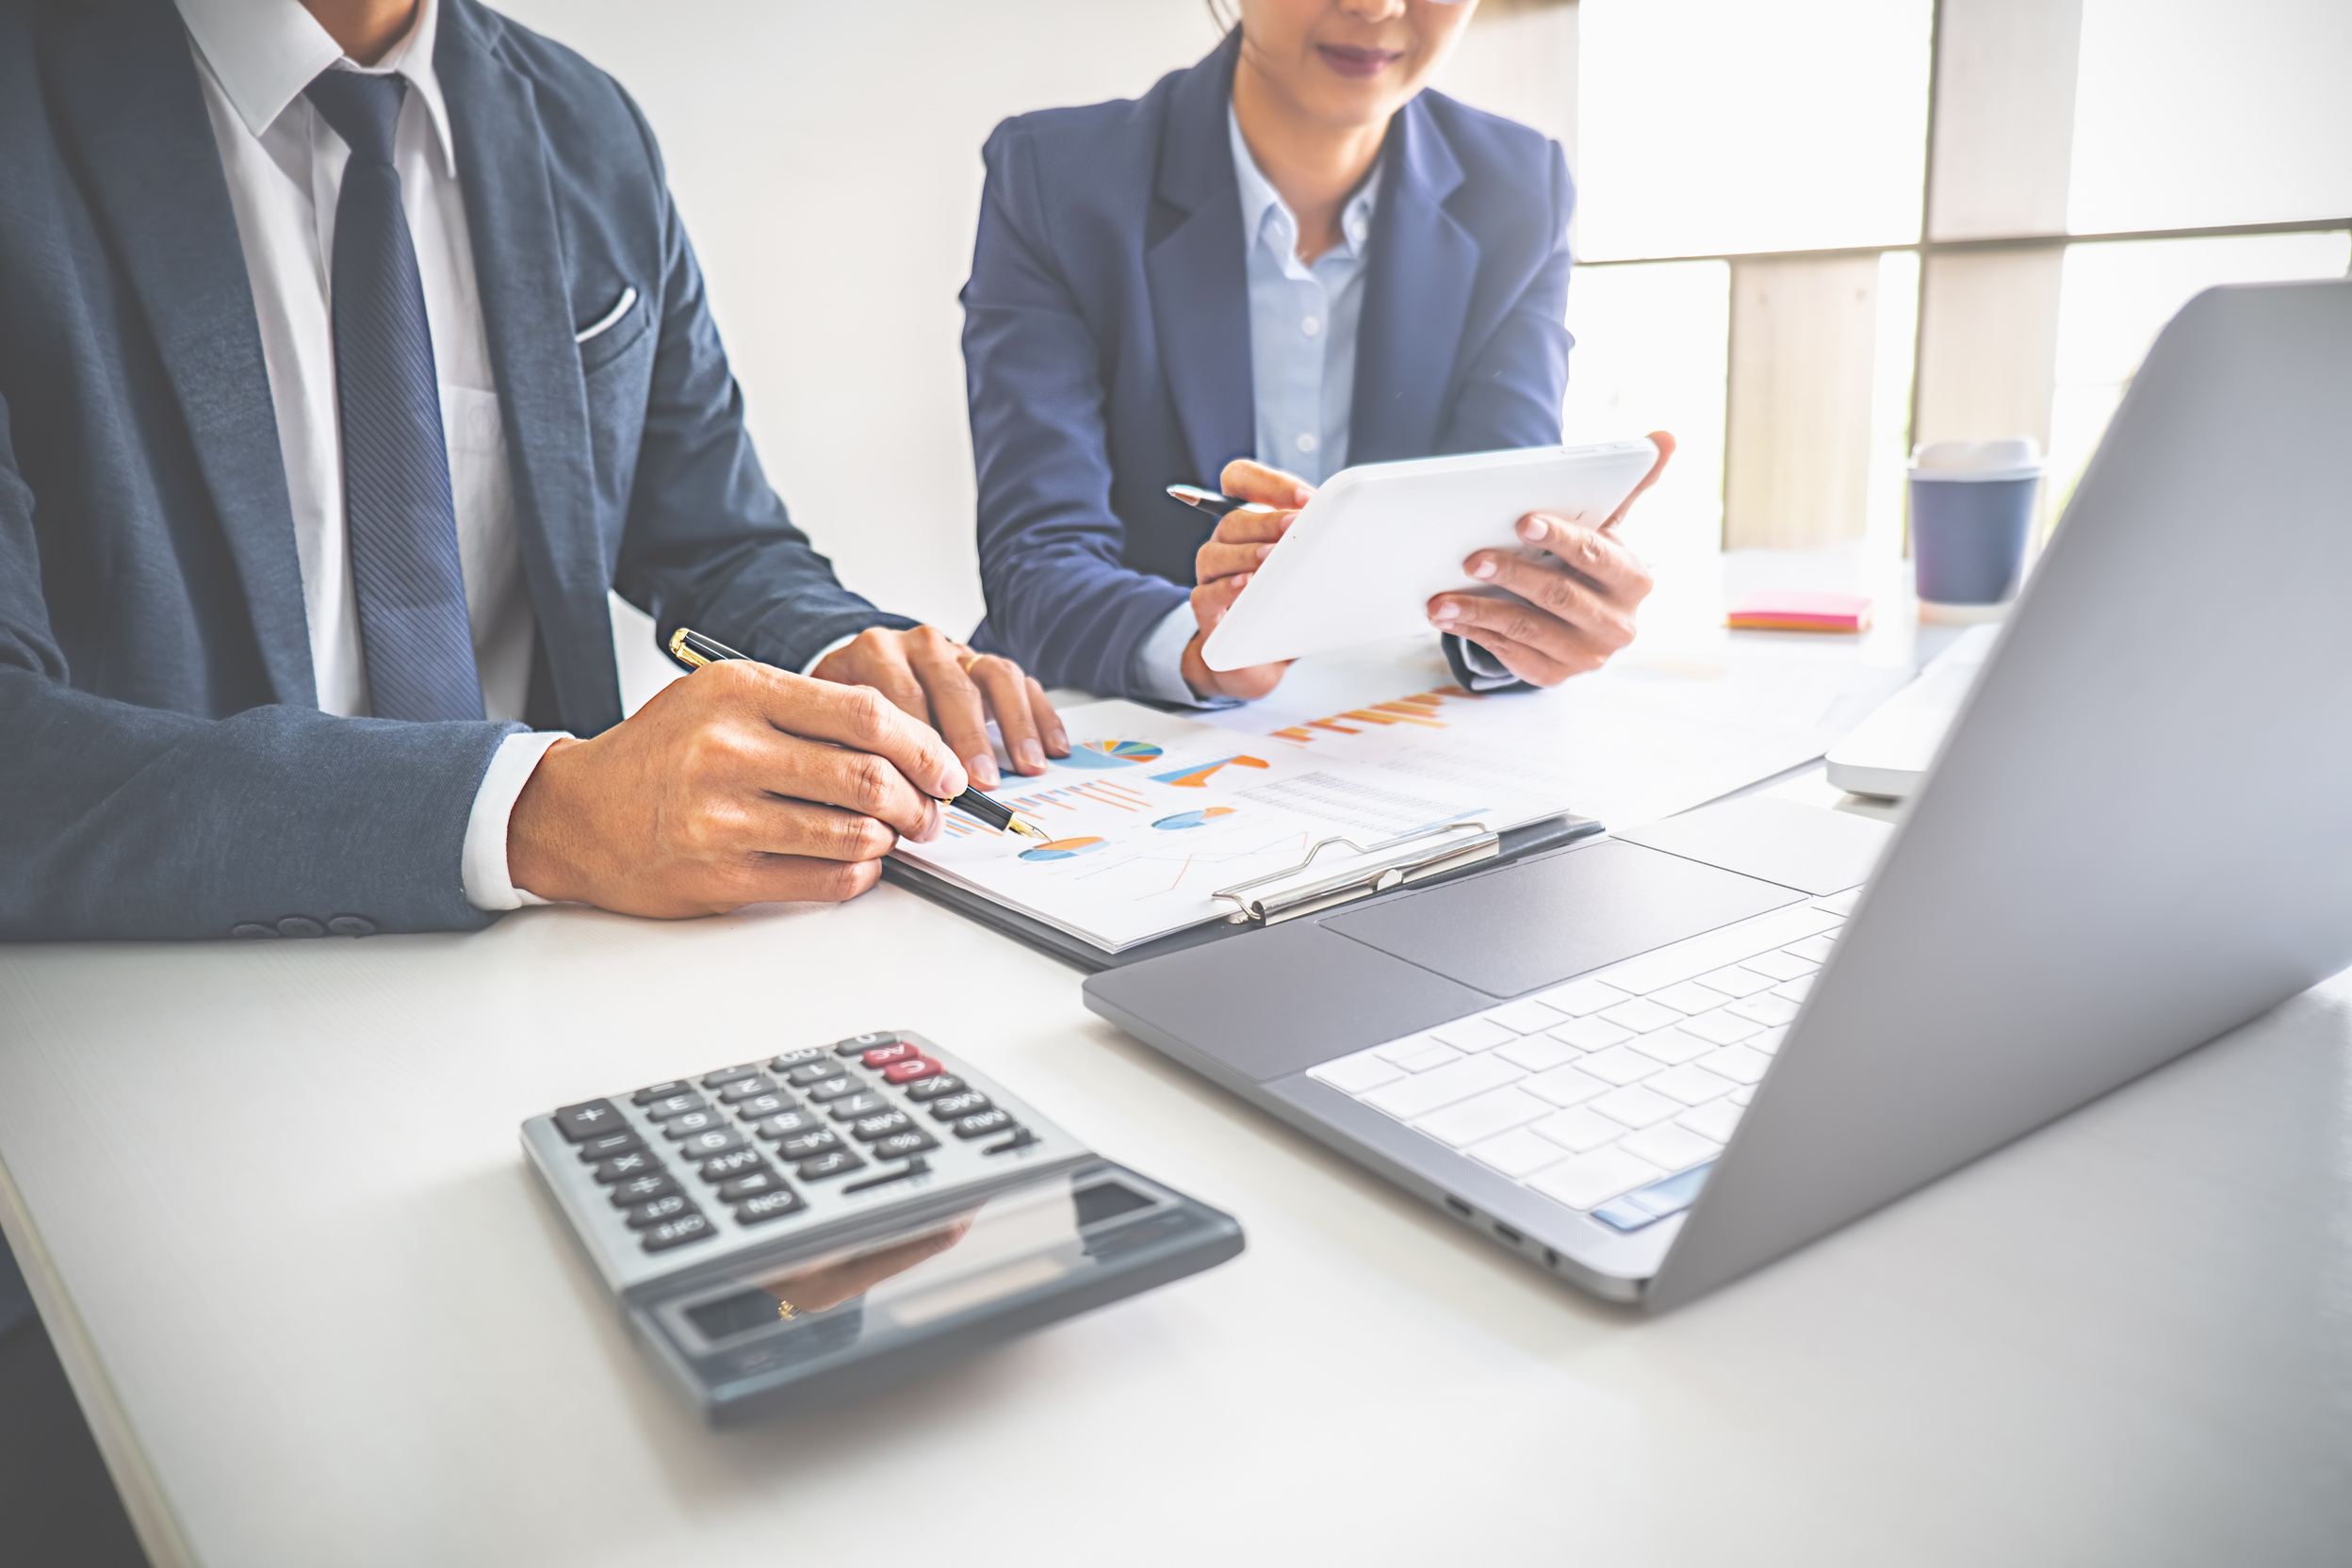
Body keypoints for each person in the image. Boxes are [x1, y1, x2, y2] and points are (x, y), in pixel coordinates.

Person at [0, 0, 1070, 946]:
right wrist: (534, 810)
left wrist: (837, 652)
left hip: (551, 963)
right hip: (158, 991)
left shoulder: (585, 127)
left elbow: (710, 535)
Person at [962, 0, 1673, 708]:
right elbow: (1036, 564)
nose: (1377, 6)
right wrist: (1203, 644)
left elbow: (1493, 551)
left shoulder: (1519, 187)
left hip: (1394, 732)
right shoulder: (1057, 178)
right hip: (1122, 730)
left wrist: (1541, 617)